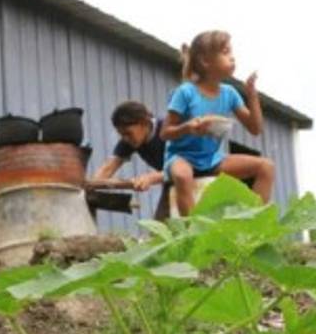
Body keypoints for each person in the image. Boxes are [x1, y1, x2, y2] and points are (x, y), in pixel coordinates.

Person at [160, 30, 275, 216]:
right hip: (182, 157)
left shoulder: (229, 93)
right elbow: (165, 132)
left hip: (212, 159)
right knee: (182, 175)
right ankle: (192, 230)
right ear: (206, 61)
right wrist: (188, 127)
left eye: (231, 52)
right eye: (225, 52)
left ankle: (252, 223)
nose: (232, 58)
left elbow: (255, 128)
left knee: (266, 166)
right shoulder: (185, 92)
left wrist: (252, 95)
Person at [91, 100, 173, 219]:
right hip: (171, 181)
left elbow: (187, 166)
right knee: (161, 231)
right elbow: (108, 168)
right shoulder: (129, 140)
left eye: (128, 133)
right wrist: (89, 187)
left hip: (199, 175)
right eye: (121, 134)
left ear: (144, 123)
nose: (125, 139)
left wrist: (151, 177)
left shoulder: (169, 131)